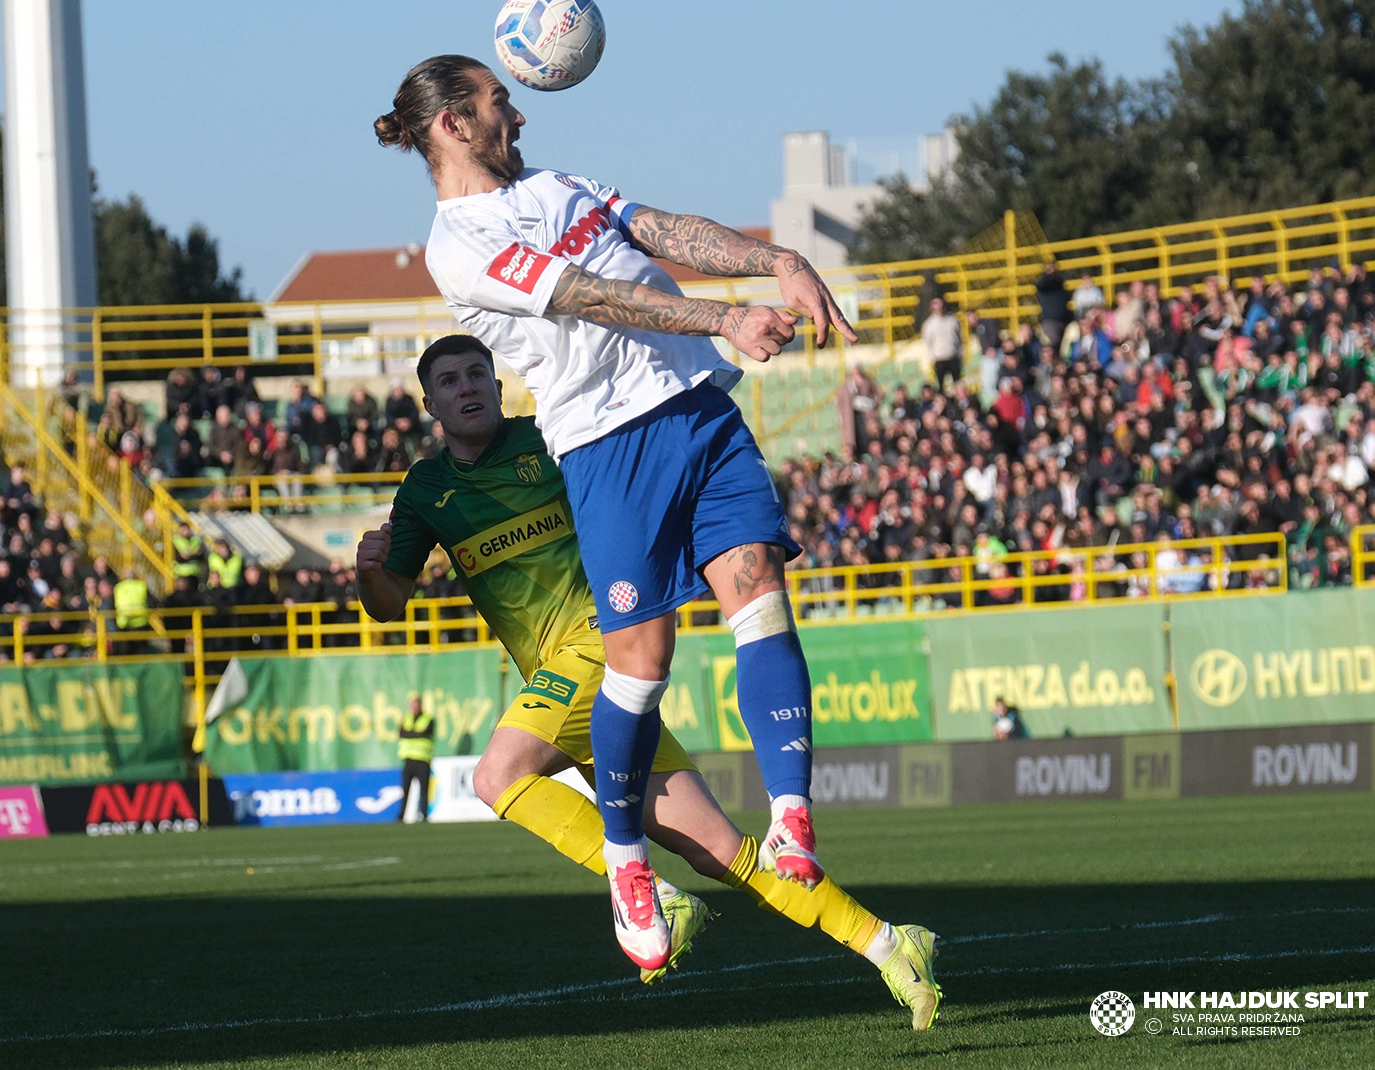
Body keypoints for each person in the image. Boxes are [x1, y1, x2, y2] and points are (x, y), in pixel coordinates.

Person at [380, 56, 859, 974]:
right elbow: (583, 297)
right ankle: (627, 862)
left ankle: (793, 822)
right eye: (496, 104)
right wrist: (724, 315)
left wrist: (778, 258)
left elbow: (660, 227)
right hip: (607, 444)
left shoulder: (560, 185)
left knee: (759, 589)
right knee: (643, 661)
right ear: (450, 126)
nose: (517, 115)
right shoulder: (457, 242)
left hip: (698, 411)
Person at [356, 336, 940, 1026]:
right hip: (570, 686)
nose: (467, 387)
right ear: (429, 404)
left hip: (605, 646)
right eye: (449, 381)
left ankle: (647, 891)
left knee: (497, 775)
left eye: (477, 372)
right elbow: (389, 602)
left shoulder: (550, 438)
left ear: (499, 382)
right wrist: (370, 569)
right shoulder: (426, 490)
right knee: (727, 854)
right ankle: (889, 943)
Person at [395, 695, 434, 822]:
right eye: (412, 705)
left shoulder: (428, 719)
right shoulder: (406, 718)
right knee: (405, 790)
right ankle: (402, 815)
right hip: (408, 760)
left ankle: (423, 815)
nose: (414, 707)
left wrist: (410, 734)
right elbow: (401, 733)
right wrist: (416, 734)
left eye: (416, 705)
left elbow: (424, 733)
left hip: (423, 760)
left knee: (424, 790)